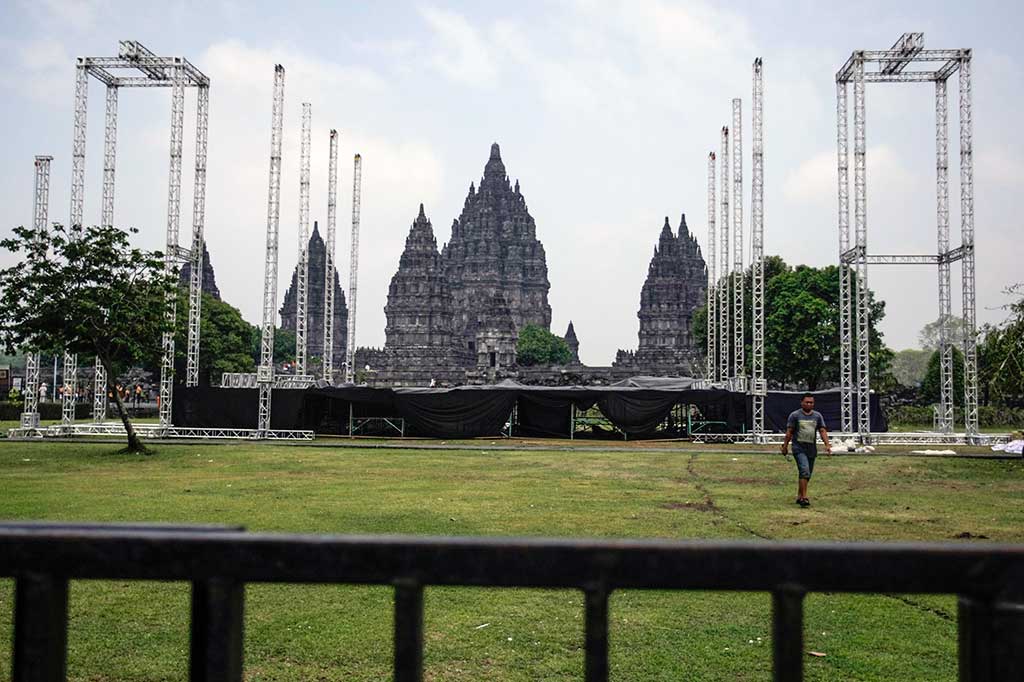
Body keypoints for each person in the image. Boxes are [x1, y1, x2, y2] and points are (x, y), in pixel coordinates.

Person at [780, 392, 832, 507]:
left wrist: (827, 445)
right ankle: (804, 497)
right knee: (804, 470)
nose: (809, 404)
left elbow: (822, 430)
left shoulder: (817, 416)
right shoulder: (795, 415)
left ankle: (799, 495)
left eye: (811, 402)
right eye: (807, 402)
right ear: (802, 402)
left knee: (807, 474)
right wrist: (785, 446)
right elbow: (789, 432)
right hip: (798, 448)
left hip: (811, 449)